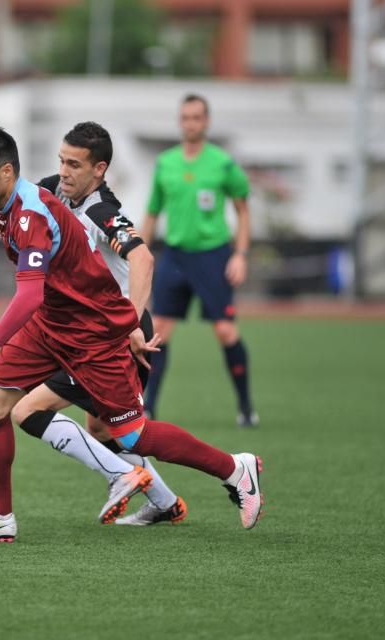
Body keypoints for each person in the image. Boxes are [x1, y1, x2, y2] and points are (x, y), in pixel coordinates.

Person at [0, 126, 263, 543]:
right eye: (61, 160)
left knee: (129, 434)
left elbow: (31, 294)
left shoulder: (84, 211)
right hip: (53, 323)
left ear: (6, 172)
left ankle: (235, 468)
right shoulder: (39, 193)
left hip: (95, 331)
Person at [20, 121, 187, 527]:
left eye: (74, 164)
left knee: (30, 408)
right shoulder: (56, 190)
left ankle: (230, 469)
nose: (63, 171)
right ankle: (166, 503)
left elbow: (143, 258)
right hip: (90, 330)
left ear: (100, 170)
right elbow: (24, 202)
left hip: (116, 333)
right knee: (101, 430)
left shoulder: (101, 211)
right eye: (61, 160)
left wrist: (128, 321)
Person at [140, 94, 258, 427]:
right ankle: (149, 407)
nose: (191, 123)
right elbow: (152, 213)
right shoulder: (166, 164)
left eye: (197, 117)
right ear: (180, 122)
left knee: (225, 331)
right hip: (175, 256)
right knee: (158, 332)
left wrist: (241, 254)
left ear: (206, 122)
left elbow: (243, 210)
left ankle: (246, 407)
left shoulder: (223, 164)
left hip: (213, 256)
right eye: (186, 117)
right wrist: (138, 253)